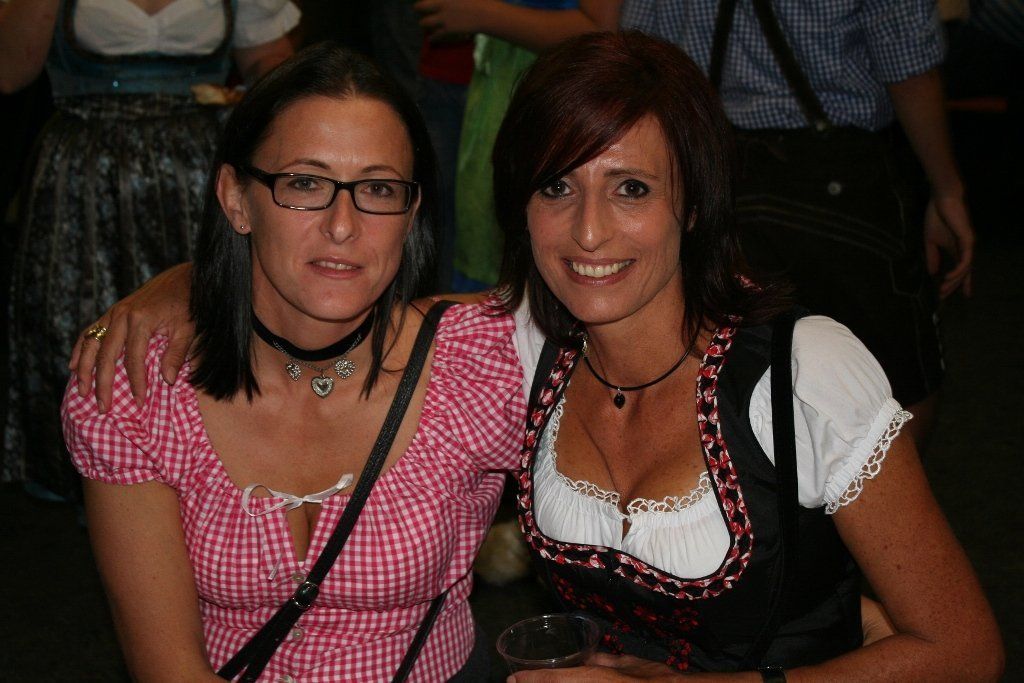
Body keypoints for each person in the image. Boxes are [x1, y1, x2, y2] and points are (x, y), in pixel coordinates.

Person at [75, 32, 1003, 681]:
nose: (589, 231)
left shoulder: (802, 371)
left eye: (631, 188)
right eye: (557, 187)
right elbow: (322, 286)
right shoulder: (518, 347)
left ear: (691, 201)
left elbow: (963, 648)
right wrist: (184, 285)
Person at [61, 43, 525, 681]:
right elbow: (168, 667)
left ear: (411, 211)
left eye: (378, 189)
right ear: (236, 199)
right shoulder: (141, 384)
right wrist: (191, 280)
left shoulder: (480, 365)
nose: (343, 225)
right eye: (305, 183)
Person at [620, 0, 974, 448]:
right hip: (842, 182)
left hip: (712, 172)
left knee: (722, 369)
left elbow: (640, 60)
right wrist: (947, 189)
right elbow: (909, 66)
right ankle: (875, 489)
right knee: (897, 379)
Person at [0, 0, 298, 500]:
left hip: (196, 170)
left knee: (205, 314)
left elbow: (271, 63)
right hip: (85, 176)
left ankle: (209, 461)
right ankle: (92, 471)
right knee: (72, 317)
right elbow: (10, 72)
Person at [413, 0, 622, 291]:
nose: (589, 235)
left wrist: (480, 14)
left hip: (551, 97)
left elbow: (600, 28)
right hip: (493, 93)